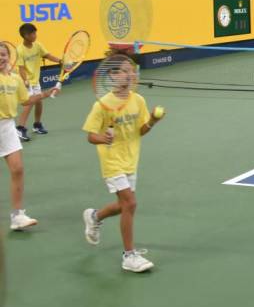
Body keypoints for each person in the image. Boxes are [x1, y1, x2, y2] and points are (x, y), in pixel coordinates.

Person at [81, 55, 165, 273]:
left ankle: (94, 216)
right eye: (123, 71)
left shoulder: (138, 100)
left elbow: (141, 131)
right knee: (131, 203)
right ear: (112, 75)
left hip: (131, 159)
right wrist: (103, 138)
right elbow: (91, 136)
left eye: (131, 70)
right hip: (111, 161)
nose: (128, 74)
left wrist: (153, 122)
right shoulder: (102, 104)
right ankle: (129, 256)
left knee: (123, 205)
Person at [0, 42, 57, 231]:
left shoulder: (15, 80)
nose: (1, 58)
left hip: (7, 126)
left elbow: (26, 100)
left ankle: (17, 216)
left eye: (3, 55)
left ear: (9, 57)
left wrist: (47, 93)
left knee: (17, 169)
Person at [15, 23, 61, 142]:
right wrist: (25, 80)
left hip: (35, 80)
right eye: (32, 33)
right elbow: (21, 68)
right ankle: (20, 128)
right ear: (25, 35)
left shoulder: (38, 45)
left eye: (35, 33)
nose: (35, 35)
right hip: (25, 81)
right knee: (29, 103)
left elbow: (48, 55)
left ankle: (37, 125)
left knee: (39, 102)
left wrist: (60, 61)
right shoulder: (20, 50)